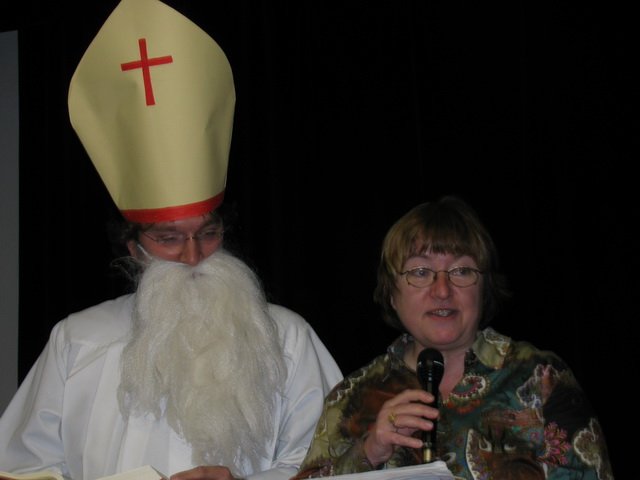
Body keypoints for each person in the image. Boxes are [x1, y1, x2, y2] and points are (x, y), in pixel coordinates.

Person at [0, 1, 342, 479]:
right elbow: (21, 468)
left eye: (208, 233)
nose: (193, 256)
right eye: (169, 239)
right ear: (134, 248)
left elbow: (330, 462)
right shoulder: (76, 340)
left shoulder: (286, 337)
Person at [292, 196, 613, 480]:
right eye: (420, 272)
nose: (442, 290)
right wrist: (369, 451)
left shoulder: (541, 377)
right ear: (391, 293)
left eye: (461, 271)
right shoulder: (352, 395)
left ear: (483, 288)